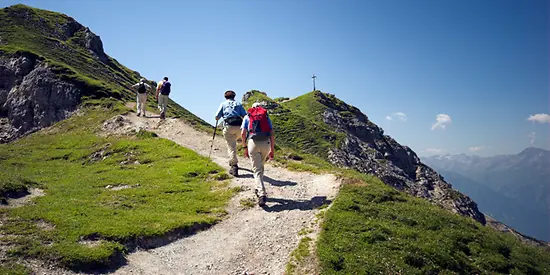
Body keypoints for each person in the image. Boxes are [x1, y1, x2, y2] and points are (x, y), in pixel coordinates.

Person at [241, 102, 275, 206]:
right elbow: (272, 133)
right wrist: (272, 150)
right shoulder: (266, 117)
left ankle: (261, 194)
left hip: (253, 143)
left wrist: (244, 147)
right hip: (265, 143)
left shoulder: (248, 117)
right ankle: (258, 187)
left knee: (256, 169)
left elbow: (243, 133)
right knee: (260, 167)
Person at [215, 90, 247, 176]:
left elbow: (217, 117)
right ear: (234, 96)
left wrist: (220, 117)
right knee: (237, 140)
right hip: (239, 127)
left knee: (231, 147)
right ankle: (241, 145)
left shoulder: (223, 104)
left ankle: (234, 165)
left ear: (225, 97)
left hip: (229, 126)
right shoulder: (238, 104)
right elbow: (245, 115)